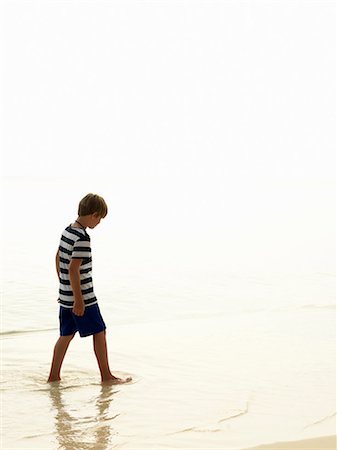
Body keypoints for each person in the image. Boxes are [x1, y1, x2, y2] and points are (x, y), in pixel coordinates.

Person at [48, 193, 129, 384]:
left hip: (66, 295)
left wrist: (64, 285)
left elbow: (58, 257)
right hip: (83, 296)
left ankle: (53, 376)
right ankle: (106, 376)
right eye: (99, 218)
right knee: (100, 331)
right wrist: (78, 299)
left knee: (65, 335)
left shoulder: (68, 230)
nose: (99, 222)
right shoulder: (83, 238)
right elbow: (74, 268)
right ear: (93, 214)